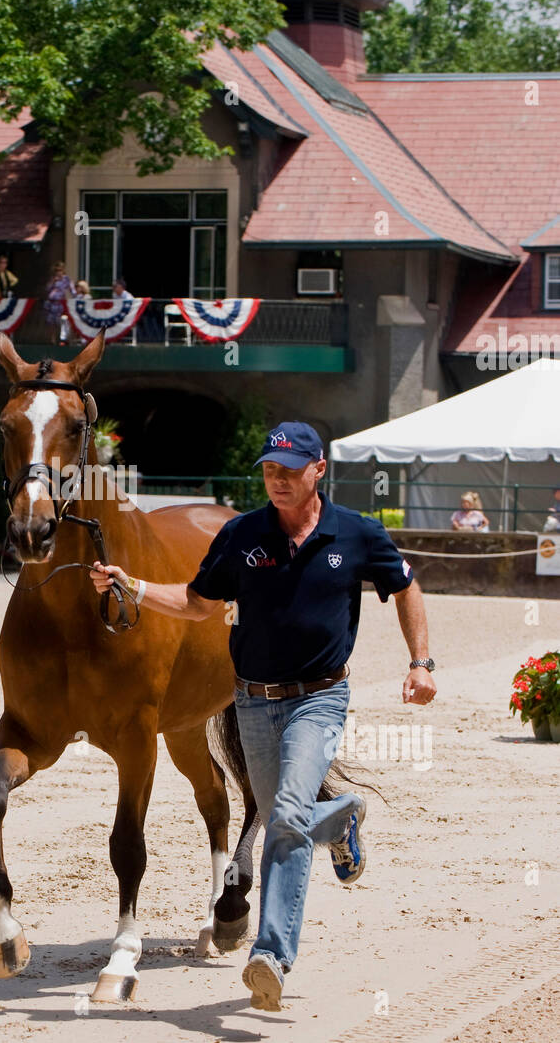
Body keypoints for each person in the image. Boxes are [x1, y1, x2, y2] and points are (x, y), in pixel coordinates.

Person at [89, 420, 436, 1013]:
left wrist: (420, 661)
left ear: (317, 470)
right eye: (270, 470)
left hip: (319, 699)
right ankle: (342, 821)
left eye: (289, 470)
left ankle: (271, 954)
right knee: (285, 817)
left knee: (286, 818)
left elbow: (405, 586)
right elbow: (199, 604)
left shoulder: (357, 534)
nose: (277, 480)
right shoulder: (242, 534)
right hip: (251, 698)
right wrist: (136, 586)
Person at [44, 262, 75, 344]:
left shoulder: (66, 279)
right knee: (51, 322)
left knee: (62, 321)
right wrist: (53, 282)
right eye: (57, 270)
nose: (58, 272)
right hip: (51, 303)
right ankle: (52, 339)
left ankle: (62, 339)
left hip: (60, 303)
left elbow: (72, 290)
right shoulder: (53, 279)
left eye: (60, 270)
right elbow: (47, 289)